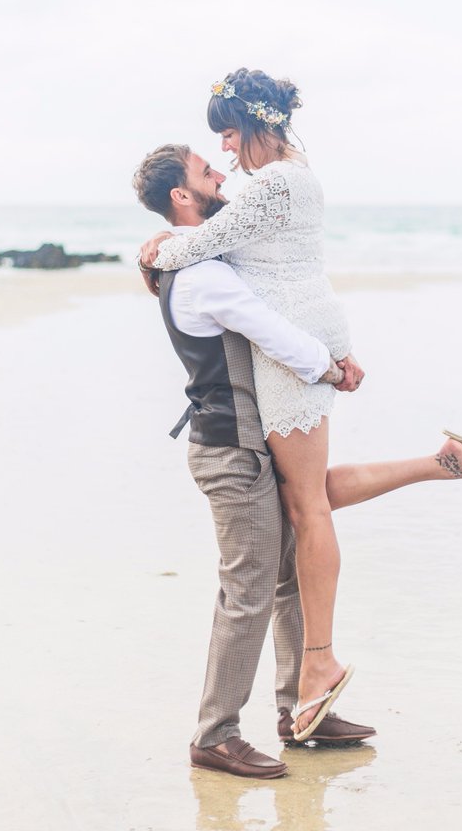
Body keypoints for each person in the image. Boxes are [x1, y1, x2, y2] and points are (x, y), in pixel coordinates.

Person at [139, 70, 462, 740]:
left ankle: (318, 666)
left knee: (307, 508)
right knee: (308, 497)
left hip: (293, 352)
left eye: (228, 135)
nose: (225, 153)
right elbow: (225, 245)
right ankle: (443, 463)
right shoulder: (287, 175)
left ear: (255, 124)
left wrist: (156, 248)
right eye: (214, 151)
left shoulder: (273, 183)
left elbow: (199, 245)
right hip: (306, 340)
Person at [132, 142, 376, 778]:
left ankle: (302, 710)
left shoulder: (201, 257)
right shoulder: (204, 276)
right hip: (229, 452)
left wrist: (161, 243)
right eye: (205, 172)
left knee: (286, 578)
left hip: (247, 445)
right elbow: (272, 329)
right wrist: (331, 368)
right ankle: (215, 734)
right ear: (182, 196)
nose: (221, 175)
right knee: (247, 593)